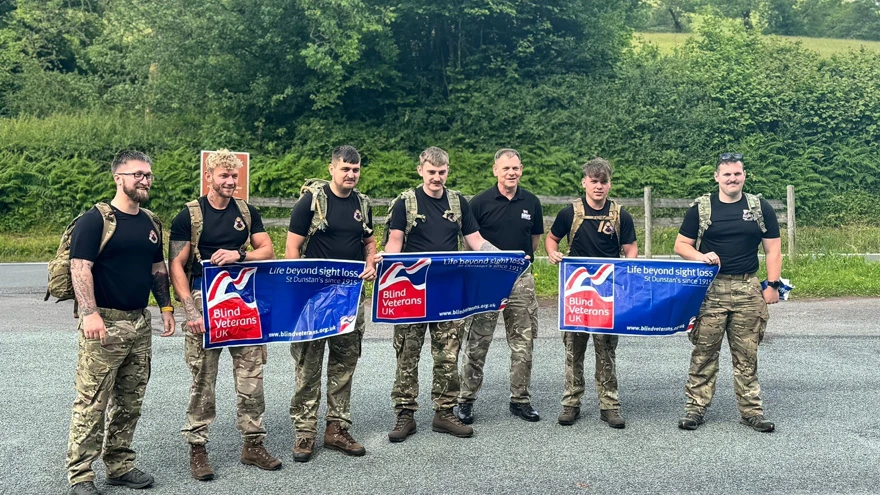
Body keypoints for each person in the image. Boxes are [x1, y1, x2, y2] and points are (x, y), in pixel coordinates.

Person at [66, 150, 175, 495]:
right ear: (118, 178)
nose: (144, 181)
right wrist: (90, 313)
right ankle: (81, 475)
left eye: (148, 175)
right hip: (105, 322)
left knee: (130, 400)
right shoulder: (96, 220)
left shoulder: (150, 221)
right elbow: (79, 267)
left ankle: (119, 465)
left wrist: (166, 308)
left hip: (139, 324)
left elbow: (158, 269)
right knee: (93, 400)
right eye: (137, 175)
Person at [168, 149, 280, 481]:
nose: (230, 182)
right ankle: (198, 449)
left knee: (251, 377)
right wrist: (191, 312)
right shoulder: (189, 215)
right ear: (209, 176)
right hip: (204, 303)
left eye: (234, 177)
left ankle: (253, 443)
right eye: (224, 176)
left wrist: (239, 253)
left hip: (243, 305)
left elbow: (267, 251)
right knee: (203, 380)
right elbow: (176, 264)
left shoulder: (246, 212)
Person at [384, 146, 499, 442]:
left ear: (448, 171)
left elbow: (476, 241)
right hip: (412, 291)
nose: (437, 177)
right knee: (407, 354)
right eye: (431, 172)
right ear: (420, 170)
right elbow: (395, 243)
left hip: (448, 293)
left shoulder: (459, 202)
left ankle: (444, 412)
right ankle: (405, 415)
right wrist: (386, 267)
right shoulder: (405, 203)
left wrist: (504, 258)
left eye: (442, 172)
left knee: (447, 354)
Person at [285, 145, 380, 462]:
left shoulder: (363, 204)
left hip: (349, 298)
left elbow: (369, 242)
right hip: (313, 299)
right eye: (345, 169)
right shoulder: (311, 202)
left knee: (344, 365)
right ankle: (304, 433)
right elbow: (292, 249)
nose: (351, 174)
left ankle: (337, 429)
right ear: (332, 169)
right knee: (308, 368)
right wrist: (297, 294)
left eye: (356, 169)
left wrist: (371, 261)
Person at [674, 152, 781, 433]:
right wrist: (701, 256)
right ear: (717, 177)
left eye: (737, 173)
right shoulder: (702, 208)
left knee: (747, 354)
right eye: (727, 174)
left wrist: (773, 285)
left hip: (748, 289)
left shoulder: (759, 208)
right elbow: (681, 245)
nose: (732, 179)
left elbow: (772, 248)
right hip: (711, 289)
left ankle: (751, 412)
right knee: (704, 351)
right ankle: (695, 409)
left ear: (744, 175)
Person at [545, 157, 637, 429]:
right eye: (594, 181)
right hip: (576, 291)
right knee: (574, 348)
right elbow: (552, 239)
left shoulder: (621, 215)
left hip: (608, 292)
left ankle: (609, 404)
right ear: (584, 182)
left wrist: (629, 264)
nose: (598, 186)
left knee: (606, 349)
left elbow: (630, 247)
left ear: (609, 185)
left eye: (603, 182)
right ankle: (571, 402)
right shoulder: (568, 213)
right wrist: (552, 253)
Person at [457, 149, 543, 424]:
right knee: (477, 341)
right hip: (487, 280)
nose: (511, 173)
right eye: (506, 168)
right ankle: (466, 400)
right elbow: (471, 240)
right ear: (495, 170)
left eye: (516, 168)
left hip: (520, 280)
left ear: (521, 169)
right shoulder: (479, 202)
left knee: (523, 343)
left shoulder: (531, 201)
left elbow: (534, 240)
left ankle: (520, 400)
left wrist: (516, 263)